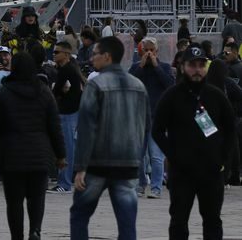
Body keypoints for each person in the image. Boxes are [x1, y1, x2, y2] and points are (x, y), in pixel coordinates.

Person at [152, 44, 236, 240]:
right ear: (182, 67)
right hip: (182, 174)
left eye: (201, 65)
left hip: (211, 172)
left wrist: (223, 159)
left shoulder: (216, 96)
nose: (197, 70)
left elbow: (230, 129)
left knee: (213, 220)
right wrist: (173, 155)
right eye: (192, 65)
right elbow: (157, 130)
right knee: (179, 221)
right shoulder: (171, 96)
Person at [70, 36, 148, 240]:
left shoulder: (95, 85)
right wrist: (138, 160)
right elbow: (144, 126)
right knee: (127, 223)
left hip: (98, 162)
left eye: (95, 54)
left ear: (107, 56)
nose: (92, 58)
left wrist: (80, 167)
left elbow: (87, 127)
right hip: (128, 163)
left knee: (79, 215)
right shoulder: (138, 85)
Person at [0, 52, 65, 240]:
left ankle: (17, 236)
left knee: (14, 202)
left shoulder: (3, 93)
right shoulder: (44, 92)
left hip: (11, 156)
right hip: (39, 155)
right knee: (37, 198)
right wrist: (60, 155)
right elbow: (54, 126)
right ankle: (35, 230)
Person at [128, 36, 175, 199]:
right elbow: (130, 84)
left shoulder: (165, 67)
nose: (148, 53)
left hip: (157, 117)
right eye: (146, 50)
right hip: (139, 117)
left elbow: (170, 85)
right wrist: (141, 65)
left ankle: (156, 187)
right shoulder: (136, 67)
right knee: (138, 156)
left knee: (156, 155)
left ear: (157, 51)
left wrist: (156, 66)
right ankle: (141, 184)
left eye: (151, 50)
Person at [50, 39, 83, 193]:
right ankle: (65, 181)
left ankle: (64, 183)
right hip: (71, 113)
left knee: (66, 149)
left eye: (57, 52)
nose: (54, 54)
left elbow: (55, 91)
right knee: (70, 148)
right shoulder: (70, 68)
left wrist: (60, 94)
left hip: (67, 113)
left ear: (66, 54)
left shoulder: (66, 70)